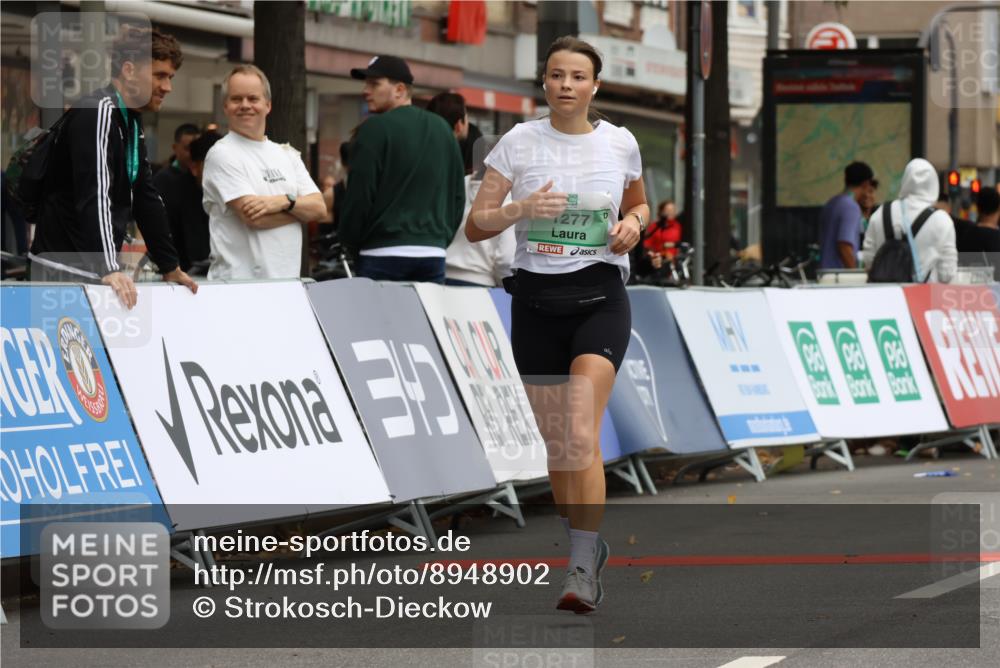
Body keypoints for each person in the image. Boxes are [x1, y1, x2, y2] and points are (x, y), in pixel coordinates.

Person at [467, 36, 648, 613]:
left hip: (599, 298)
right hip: (536, 304)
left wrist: (634, 226)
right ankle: (583, 543)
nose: (565, 85)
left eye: (577, 76)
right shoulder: (517, 143)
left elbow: (640, 204)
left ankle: (579, 568)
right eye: (555, 75)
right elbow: (476, 226)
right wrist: (521, 210)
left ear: (595, 85)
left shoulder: (620, 142)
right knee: (559, 449)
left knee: (579, 432)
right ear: (543, 82)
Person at [28, 25, 197, 308]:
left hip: (88, 271)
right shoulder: (98, 112)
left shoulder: (129, 119)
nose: (167, 87)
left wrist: (170, 265)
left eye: (170, 77)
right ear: (129, 70)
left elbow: (146, 196)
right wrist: (108, 266)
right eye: (160, 75)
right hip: (61, 272)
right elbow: (95, 194)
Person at [339, 55, 465, 283]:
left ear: (399, 90)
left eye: (374, 84)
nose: (365, 90)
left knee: (379, 320)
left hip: (381, 252)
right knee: (423, 319)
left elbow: (359, 195)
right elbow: (457, 195)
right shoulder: (443, 129)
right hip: (432, 252)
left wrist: (351, 240)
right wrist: (439, 238)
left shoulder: (374, 129)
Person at [201, 65, 325, 280]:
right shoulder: (222, 154)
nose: (245, 105)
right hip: (238, 289)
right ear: (225, 106)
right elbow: (255, 219)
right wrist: (301, 214)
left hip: (287, 286)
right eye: (236, 99)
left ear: (268, 105)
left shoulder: (286, 154)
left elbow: (319, 209)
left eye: (253, 98)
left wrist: (284, 201)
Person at [424, 94, 515, 287]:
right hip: (480, 283)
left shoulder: (458, 185)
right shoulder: (510, 199)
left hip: (439, 277)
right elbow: (506, 259)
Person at [862, 158, 957, 283]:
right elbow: (947, 274)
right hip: (925, 298)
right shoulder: (942, 220)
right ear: (934, 184)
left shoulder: (880, 213)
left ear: (905, 180)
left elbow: (868, 261)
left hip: (883, 296)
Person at [153, 123, 208, 272]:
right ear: (175, 148)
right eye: (187, 148)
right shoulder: (163, 180)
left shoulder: (205, 184)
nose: (192, 154)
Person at [818, 161, 877, 269]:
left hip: (825, 274)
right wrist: (855, 275)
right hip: (840, 278)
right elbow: (844, 245)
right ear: (866, 184)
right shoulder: (851, 207)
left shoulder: (831, 203)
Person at [642, 199, 682, 271]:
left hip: (675, 260)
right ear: (661, 212)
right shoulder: (655, 227)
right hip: (660, 259)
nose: (671, 212)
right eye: (668, 210)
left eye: (673, 210)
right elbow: (647, 244)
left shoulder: (677, 226)